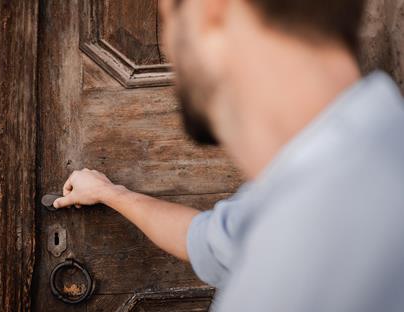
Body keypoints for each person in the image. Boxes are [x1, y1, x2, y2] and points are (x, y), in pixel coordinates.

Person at [53, 0, 404, 311]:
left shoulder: (304, 247)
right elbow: (203, 238)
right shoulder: (328, 171)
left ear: (210, 9)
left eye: (168, 18)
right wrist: (111, 193)